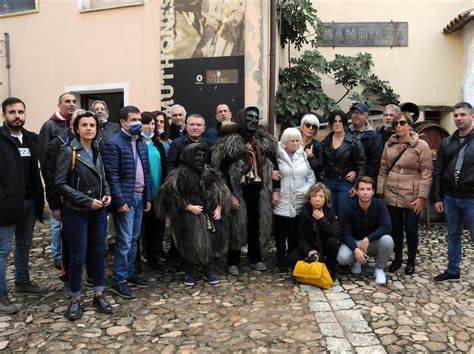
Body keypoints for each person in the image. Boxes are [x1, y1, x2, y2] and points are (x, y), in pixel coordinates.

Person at [55, 111, 113, 321]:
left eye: (92, 125)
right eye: (85, 125)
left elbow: (103, 177)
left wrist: (107, 193)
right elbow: (59, 184)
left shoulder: (97, 149)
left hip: (98, 212)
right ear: (76, 129)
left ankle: (99, 294)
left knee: (98, 253)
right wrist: (86, 200)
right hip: (77, 212)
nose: (89, 128)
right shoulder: (68, 151)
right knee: (78, 256)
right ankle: (75, 298)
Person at [212, 106, 278, 275]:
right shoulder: (229, 144)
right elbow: (220, 172)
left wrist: (274, 187)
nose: (253, 121)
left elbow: (274, 165)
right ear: (241, 119)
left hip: (258, 191)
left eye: (255, 119)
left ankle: (255, 258)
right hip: (237, 191)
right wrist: (230, 195)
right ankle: (232, 261)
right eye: (249, 118)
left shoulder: (263, 142)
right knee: (236, 227)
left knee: (256, 225)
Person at [156, 143, 230, 286]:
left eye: (203, 155)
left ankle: (208, 269)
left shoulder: (211, 173)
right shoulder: (179, 175)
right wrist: (188, 207)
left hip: (209, 215)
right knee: (189, 243)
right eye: (197, 155)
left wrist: (219, 208)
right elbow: (169, 196)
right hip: (188, 217)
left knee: (210, 242)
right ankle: (188, 271)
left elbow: (222, 191)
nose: (200, 158)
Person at [0, 97, 47, 315]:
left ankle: (22, 282)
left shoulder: (30, 139)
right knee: (2, 251)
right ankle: (2, 295)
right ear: (4, 115)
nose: (17, 116)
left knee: (24, 245)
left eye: (20, 112)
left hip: (30, 202)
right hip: (6, 206)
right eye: (12, 112)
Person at [103, 106, 153, 299]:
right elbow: (112, 176)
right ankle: (119, 280)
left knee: (133, 240)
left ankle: (131, 274)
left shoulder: (140, 141)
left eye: (139, 119)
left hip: (140, 198)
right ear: (123, 122)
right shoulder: (114, 143)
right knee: (124, 242)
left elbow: (145, 172)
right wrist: (120, 201)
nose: (137, 123)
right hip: (126, 199)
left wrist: (148, 197)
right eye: (133, 120)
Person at [377, 112, 432, 275]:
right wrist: (380, 192)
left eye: (402, 123)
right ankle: (398, 258)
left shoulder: (421, 145)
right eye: (396, 124)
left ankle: (411, 260)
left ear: (409, 124)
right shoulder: (390, 144)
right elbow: (383, 169)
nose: (398, 126)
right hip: (392, 192)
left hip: (412, 194)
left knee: (411, 229)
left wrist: (422, 197)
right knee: (395, 228)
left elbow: (427, 172)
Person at [433, 102, 474, 283]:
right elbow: (438, 171)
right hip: (450, 198)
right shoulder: (447, 142)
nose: (458, 118)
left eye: (462, 115)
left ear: (472, 117)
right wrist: (438, 197)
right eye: (456, 115)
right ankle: (452, 270)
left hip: (471, 198)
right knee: (453, 236)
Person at [165, 113, 210, 272]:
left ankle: (202, 259)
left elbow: (212, 168)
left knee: (203, 227)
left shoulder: (208, 144)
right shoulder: (177, 144)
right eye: (192, 124)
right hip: (182, 192)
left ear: (204, 128)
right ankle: (176, 256)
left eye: (199, 125)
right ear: (186, 126)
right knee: (180, 227)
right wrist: (175, 186)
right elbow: (170, 165)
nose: (195, 127)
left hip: (202, 192)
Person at [39, 92, 77, 270]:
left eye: (74, 101)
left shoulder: (77, 125)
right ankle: (57, 255)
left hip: (73, 187)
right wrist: (52, 194)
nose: (71, 104)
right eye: (67, 101)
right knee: (56, 223)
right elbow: (46, 160)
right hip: (57, 185)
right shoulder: (49, 126)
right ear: (59, 104)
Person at [337, 176, 394, 285]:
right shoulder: (349, 208)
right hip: (355, 241)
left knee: (388, 240)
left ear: (373, 192)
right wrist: (355, 249)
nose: (365, 192)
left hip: (371, 243)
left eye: (368, 189)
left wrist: (368, 239)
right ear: (357, 191)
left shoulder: (379, 205)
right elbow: (346, 234)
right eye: (362, 189)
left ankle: (379, 270)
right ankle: (356, 260)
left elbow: (387, 227)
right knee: (342, 258)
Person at [273, 127, 315, 271]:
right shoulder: (277, 155)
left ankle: (291, 258)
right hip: (282, 201)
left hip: (299, 200)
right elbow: (268, 170)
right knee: (280, 233)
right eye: (292, 141)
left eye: (298, 140)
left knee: (294, 233)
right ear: (285, 142)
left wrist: (306, 190)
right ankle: (279, 259)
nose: (296, 143)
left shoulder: (303, 155)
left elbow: (311, 177)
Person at [289, 183, 340, 280]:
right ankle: (309, 268)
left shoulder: (330, 212)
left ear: (325, 199)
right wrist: (309, 251)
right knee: (292, 258)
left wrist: (322, 220)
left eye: (321, 196)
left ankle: (330, 268)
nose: (317, 199)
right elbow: (301, 237)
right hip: (310, 246)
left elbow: (336, 233)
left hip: (324, 245)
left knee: (332, 242)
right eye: (314, 196)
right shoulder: (304, 213)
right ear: (309, 198)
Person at [319, 111, 366, 217]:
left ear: (344, 124)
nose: (337, 124)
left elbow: (361, 165)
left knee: (345, 215)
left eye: (340, 121)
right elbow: (321, 164)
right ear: (331, 124)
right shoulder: (325, 142)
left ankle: (345, 234)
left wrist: (357, 184)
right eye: (334, 121)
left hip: (345, 183)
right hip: (328, 182)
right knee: (330, 214)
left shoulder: (355, 142)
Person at [140, 112, 167, 269]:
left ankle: (156, 254)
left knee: (158, 225)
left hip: (158, 192)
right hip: (144, 193)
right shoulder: (137, 144)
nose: (150, 127)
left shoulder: (158, 145)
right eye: (147, 124)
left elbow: (163, 168)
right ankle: (147, 256)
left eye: (152, 124)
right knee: (146, 227)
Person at [348, 103, 381, 180]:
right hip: (345, 177)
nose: (355, 115)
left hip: (364, 179)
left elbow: (374, 161)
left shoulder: (373, 136)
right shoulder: (345, 133)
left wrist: (360, 175)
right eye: (354, 113)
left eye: (359, 113)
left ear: (367, 116)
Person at [300, 113, 323, 180]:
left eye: (314, 127)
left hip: (313, 181)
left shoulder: (318, 145)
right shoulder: (295, 142)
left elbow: (320, 168)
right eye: (308, 125)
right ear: (302, 126)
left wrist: (310, 156)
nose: (310, 128)